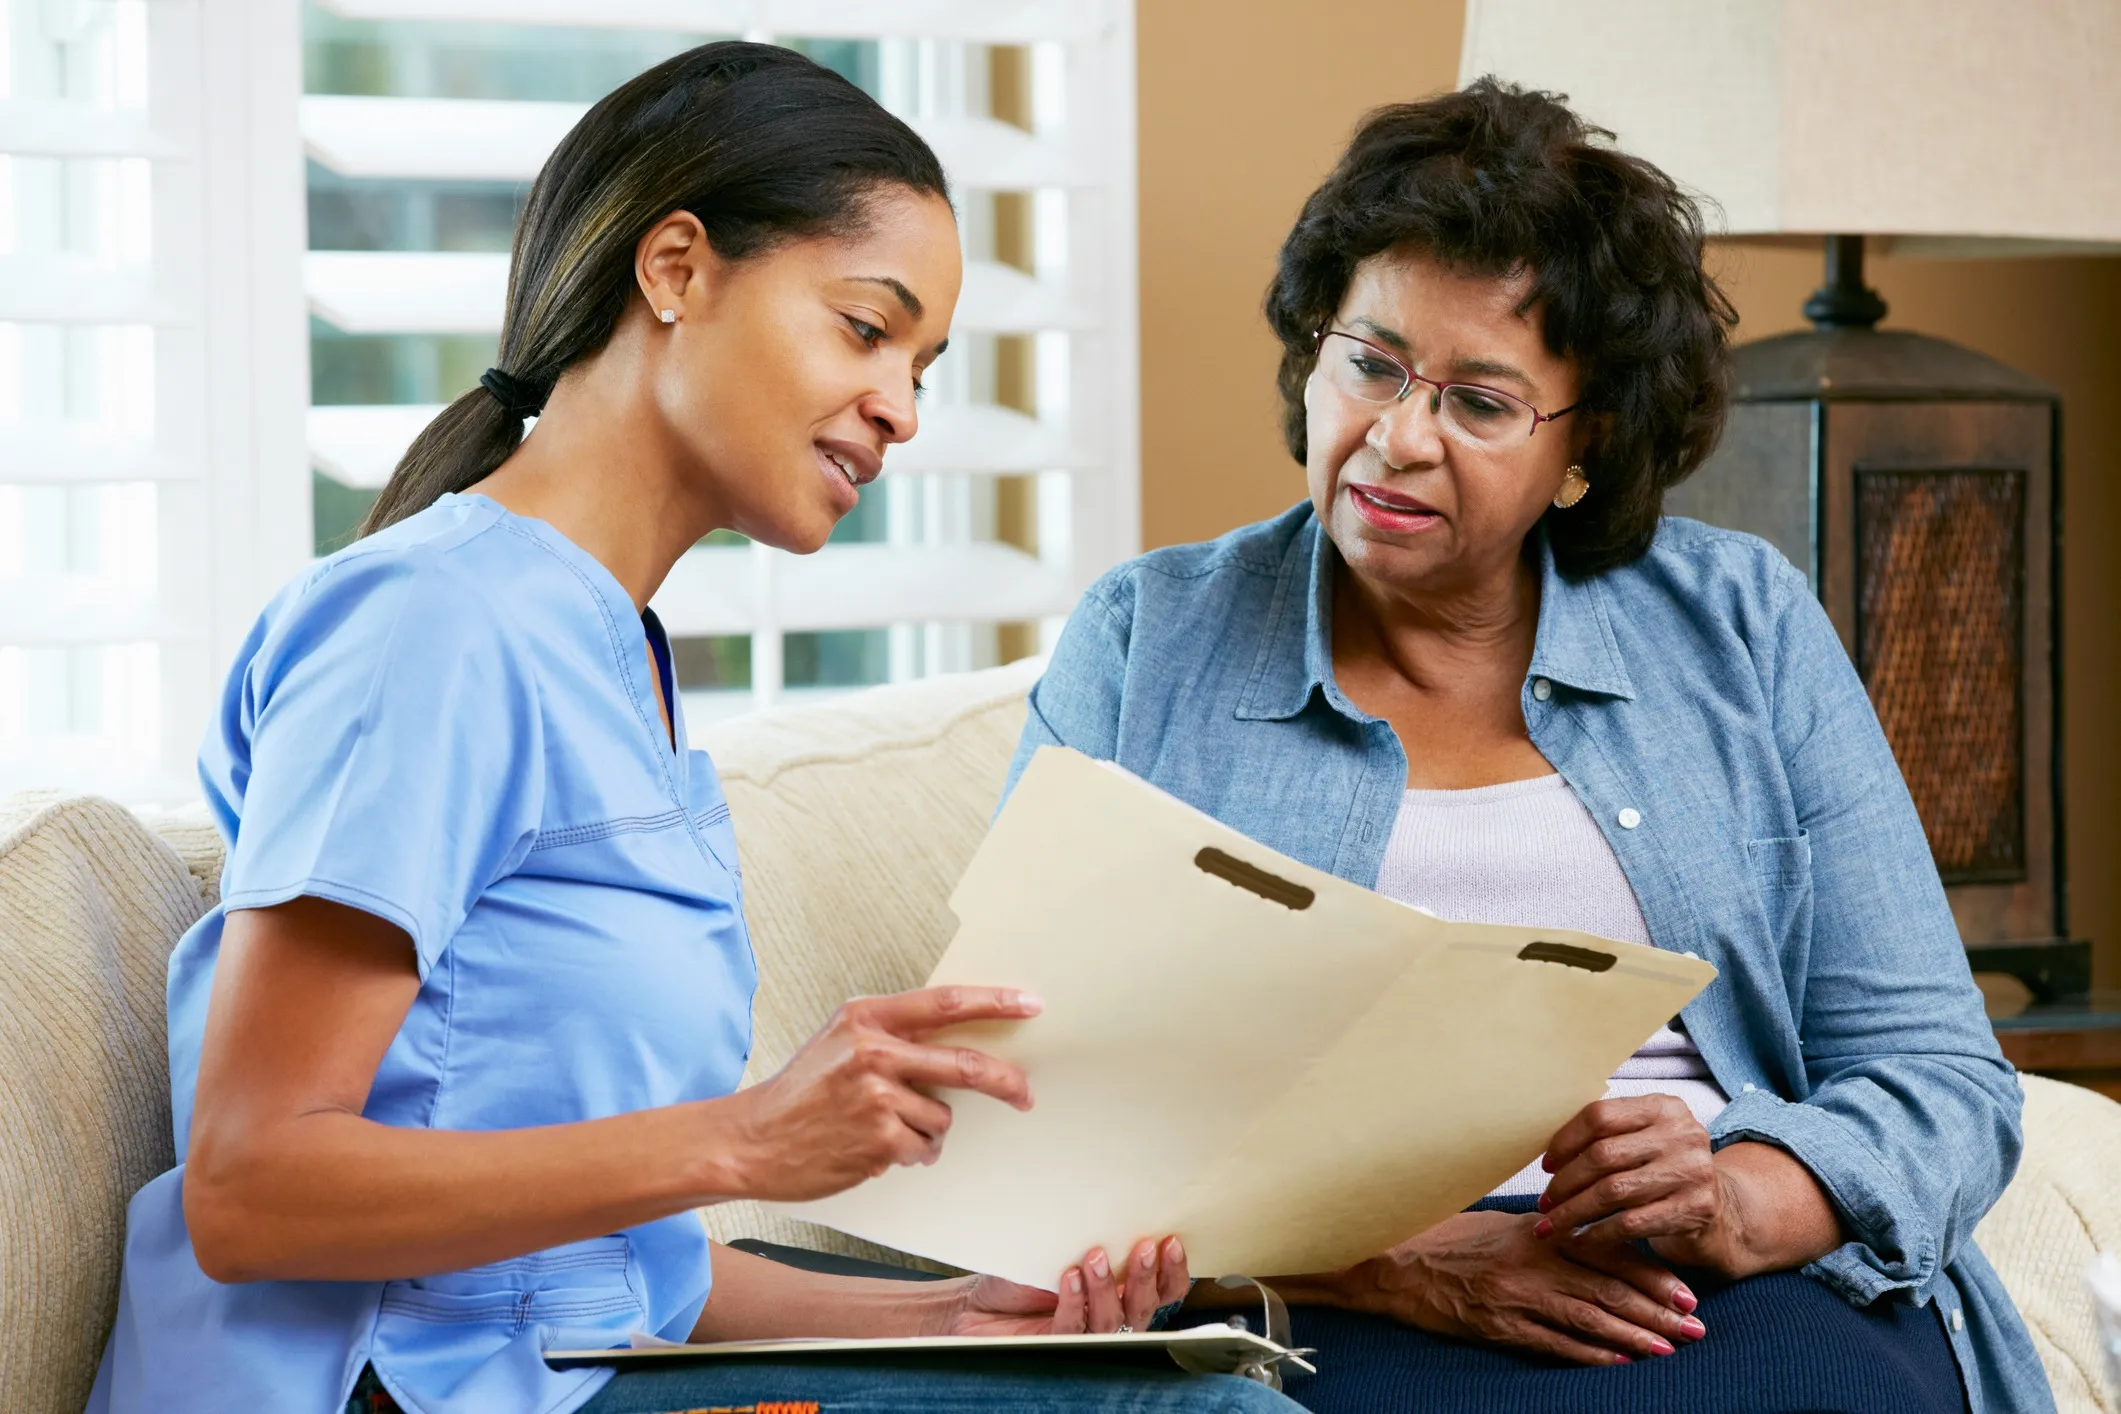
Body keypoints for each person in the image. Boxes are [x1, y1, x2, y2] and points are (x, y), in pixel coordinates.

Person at [90, 43, 1295, 1414]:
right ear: (676, 268)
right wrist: (748, 1137)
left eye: (926, 362)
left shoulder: (623, 670)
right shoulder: (432, 628)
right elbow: (252, 1188)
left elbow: (617, 1277)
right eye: (866, 327)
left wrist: (959, 1315)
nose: (903, 407)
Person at [1004, 80, 2050, 1414]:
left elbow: (1946, 1081)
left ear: (1585, 446)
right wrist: (1392, 1260)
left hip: (1710, 1284)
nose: (1396, 438)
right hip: (1321, 1302)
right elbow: (1028, 1104)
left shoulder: (1743, 625)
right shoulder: (1150, 640)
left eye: (1481, 403)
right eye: (1369, 363)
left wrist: (1736, 1194)